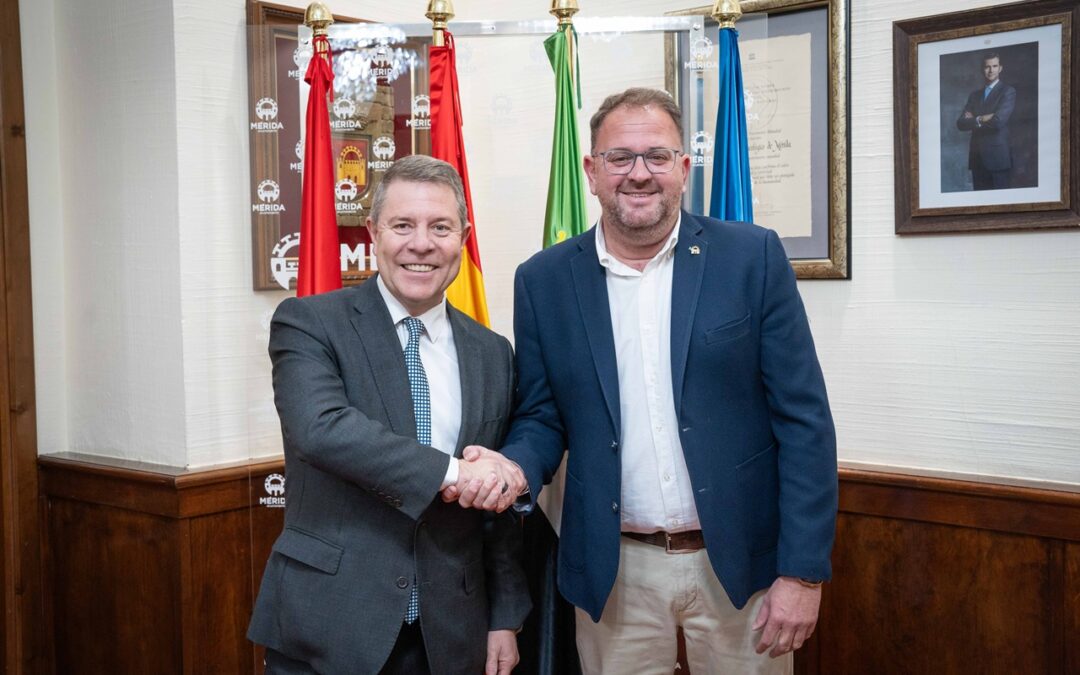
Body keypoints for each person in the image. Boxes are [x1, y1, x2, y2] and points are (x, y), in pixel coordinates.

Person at [445, 88, 837, 674]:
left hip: (739, 566)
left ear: (683, 168)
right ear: (592, 172)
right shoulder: (544, 280)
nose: (639, 174)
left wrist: (803, 572)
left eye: (657, 156)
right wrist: (512, 467)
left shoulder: (750, 257)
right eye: (619, 158)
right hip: (615, 570)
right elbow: (543, 416)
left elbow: (804, 421)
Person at [248, 155, 531, 675]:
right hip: (331, 624)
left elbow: (496, 515)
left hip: (452, 634)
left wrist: (505, 617)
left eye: (440, 227)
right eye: (403, 225)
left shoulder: (493, 352)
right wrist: (455, 472)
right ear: (374, 232)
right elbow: (322, 430)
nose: (421, 244)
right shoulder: (309, 324)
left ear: (463, 238)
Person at [956, 52, 1016, 190]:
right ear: (982, 69)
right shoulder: (974, 95)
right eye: (987, 67)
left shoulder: (1008, 92)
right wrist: (981, 118)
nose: (991, 70)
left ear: (1000, 68)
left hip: (998, 159)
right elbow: (960, 123)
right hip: (977, 159)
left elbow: (998, 121)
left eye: (994, 66)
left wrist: (973, 119)